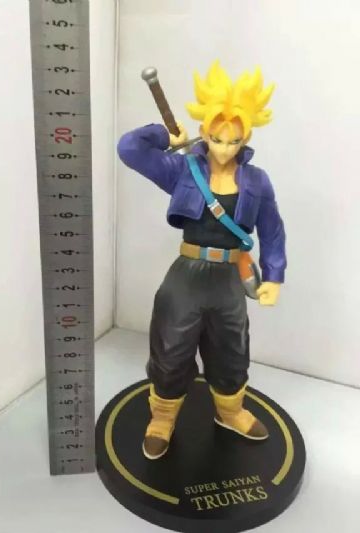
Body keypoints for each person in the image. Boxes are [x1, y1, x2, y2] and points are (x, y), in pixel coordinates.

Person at [117, 60, 287, 460]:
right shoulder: (183, 170)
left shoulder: (257, 181)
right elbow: (129, 148)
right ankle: (162, 417)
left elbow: (272, 230)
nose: (224, 148)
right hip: (186, 277)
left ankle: (230, 411)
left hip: (229, 278)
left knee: (231, 348)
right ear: (204, 132)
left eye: (233, 140)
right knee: (171, 347)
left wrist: (274, 276)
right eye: (216, 138)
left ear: (246, 136)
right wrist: (164, 135)